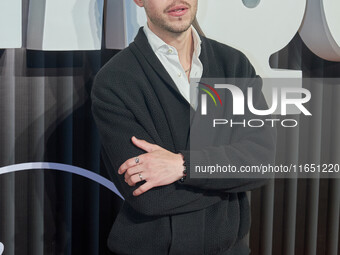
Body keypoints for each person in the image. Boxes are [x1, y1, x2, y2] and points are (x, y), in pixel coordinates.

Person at [91, 0, 276, 254]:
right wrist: (228, 176)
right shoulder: (114, 80)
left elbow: (261, 163)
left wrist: (182, 166)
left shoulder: (234, 65)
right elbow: (149, 196)